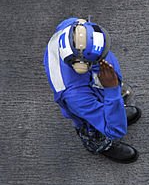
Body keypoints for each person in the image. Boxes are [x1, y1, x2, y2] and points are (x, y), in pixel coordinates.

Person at [44, 16, 141, 161]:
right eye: (100, 57)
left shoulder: (71, 29)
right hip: (87, 113)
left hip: (94, 92)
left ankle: (113, 113)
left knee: (111, 110)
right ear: (82, 66)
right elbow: (116, 131)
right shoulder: (76, 97)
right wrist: (112, 89)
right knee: (93, 131)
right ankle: (102, 145)